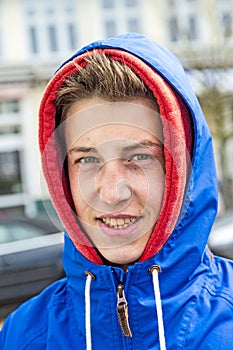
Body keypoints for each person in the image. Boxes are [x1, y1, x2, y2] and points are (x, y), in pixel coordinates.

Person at [1, 32, 233, 349]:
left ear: (183, 169)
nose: (111, 193)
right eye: (87, 159)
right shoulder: (22, 335)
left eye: (139, 156)